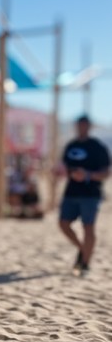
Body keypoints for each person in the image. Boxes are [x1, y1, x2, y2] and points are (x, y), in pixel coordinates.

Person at [59, 114, 110, 275]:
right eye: (79, 125)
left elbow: (106, 172)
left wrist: (87, 175)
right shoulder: (70, 145)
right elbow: (64, 167)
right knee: (63, 224)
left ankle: (85, 263)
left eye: (84, 125)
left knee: (88, 227)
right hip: (71, 192)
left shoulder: (98, 147)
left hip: (91, 193)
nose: (81, 128)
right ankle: (82, 249)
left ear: (89, 127)